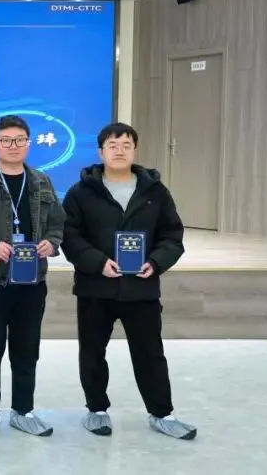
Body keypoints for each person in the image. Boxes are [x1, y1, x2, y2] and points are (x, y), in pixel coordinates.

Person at [60, 122, 196, 440]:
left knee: (150, 353)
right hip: (96, 287)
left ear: (135, 150)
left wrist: (156, 262)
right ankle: (96, 410)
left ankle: (162, 414)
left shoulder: (155, 192)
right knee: (92, 352)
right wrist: (98, 262)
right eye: (112, 145)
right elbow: (70, 236)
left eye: (126, 145)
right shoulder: (81, 192)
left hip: (141, 288)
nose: (119, 151)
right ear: (100, 152)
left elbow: (172, 235)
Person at [0, 115, 64, 439]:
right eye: (6, 140)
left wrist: (52, 243)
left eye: (19, 140)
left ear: (28, 143)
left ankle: (23, 411)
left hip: (32, 282)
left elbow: (57, 223)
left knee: (26, 349)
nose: (13, 146)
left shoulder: (42, 182)